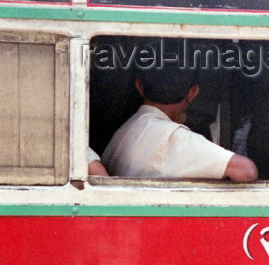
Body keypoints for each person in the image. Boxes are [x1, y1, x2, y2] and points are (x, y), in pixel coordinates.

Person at [102, 41, 258, 181]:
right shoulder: (172, 137)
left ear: (139, 87)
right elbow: (245, 170)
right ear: (193, 92)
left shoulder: (124, 132)